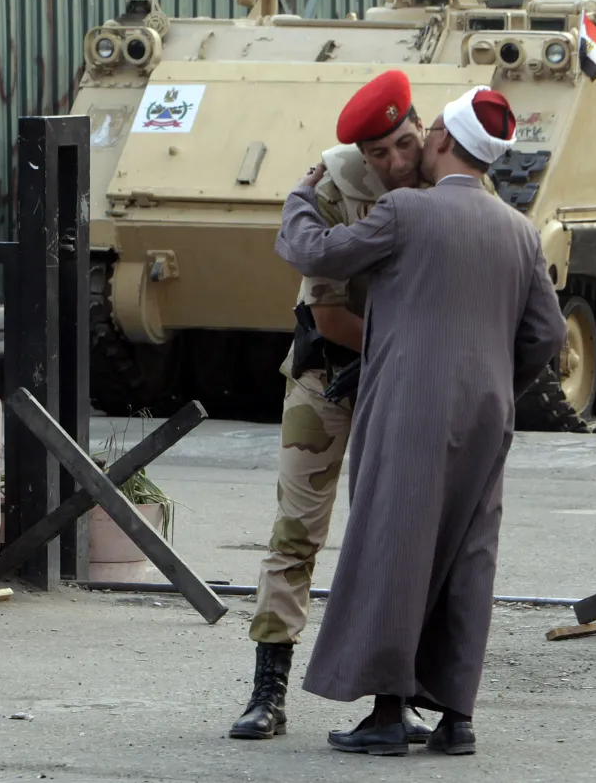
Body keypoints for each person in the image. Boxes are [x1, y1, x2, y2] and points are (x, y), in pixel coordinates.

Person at [275, 85, 567, 756]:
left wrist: (299, 197)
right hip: (488, 410)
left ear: (439, 139)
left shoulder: (406, 212)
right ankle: (456, 718)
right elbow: (547, 333)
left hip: (411, 402)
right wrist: (496, 378)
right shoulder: (520, 231)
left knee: (393, 545)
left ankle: (384, 714)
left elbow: (316, 253)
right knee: (469, 554)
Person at [230, 72, 437, 743]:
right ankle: (268, 689)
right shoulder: (333, 186)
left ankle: (393, 694)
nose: (395, 162)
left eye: (402, 143)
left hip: (406, 380)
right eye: (379, 152)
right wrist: (396, 350)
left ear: (418, 127)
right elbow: (329, 312)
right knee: (295, 529)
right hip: (331, 375)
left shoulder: (446, 176)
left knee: (396, 536)